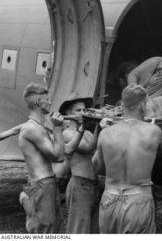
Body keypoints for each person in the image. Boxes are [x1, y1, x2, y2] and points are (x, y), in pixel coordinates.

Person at [93, 85, 162, 234]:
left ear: (122, 105)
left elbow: (96, 167)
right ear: (143, 105)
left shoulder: (106, 133)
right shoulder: (154, 132)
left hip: (109, 199)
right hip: (138, 200)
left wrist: (103, 133)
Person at [18, 83, 65, 233]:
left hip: (48, 184)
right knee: (44, 232)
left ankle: (25, 199)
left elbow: (65, 150)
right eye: (47, 99)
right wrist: (57, 128)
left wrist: (82, 130)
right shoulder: (31, 129)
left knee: (55, 230)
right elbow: (58, 156)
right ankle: (25, 199)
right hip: (42, 186)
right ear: (38, 102)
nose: (51, 102)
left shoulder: (38, 127)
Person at [59, 92, 101, 234]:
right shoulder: (66, 133)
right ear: (68, 112)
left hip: (92, 185)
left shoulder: (87, 133)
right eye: (78, 110)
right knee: (79, 231)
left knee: (93, 231)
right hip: (80, 185)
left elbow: (95, 144)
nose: (83, 113)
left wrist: (99, 125)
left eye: (84, 110)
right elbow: (87, 147)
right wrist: (98, 124)